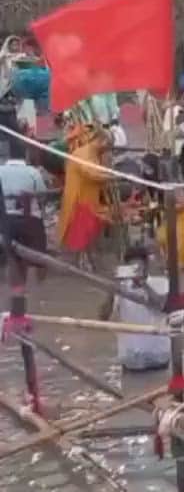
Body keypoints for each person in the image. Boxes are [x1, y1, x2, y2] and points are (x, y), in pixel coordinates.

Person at [99, 247, 169, 371]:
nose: (135, 271)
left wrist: (143, 284)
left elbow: (162, 306)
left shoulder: (161, 283)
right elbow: (103, 317)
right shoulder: (120, 289)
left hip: (158, 357)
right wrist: (111, 290)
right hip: (131, 361)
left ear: (147, 266)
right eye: (132, 268)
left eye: (138, 267)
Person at [58, 125, 112, 259]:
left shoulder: (94, 154)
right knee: (79, 234)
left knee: (88, 234)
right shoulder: (83, 153)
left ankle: (86, 260)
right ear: (101, 140)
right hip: (79, 200)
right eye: (107, 145)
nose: (107, 149)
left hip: (89, 199)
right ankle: (79, 262)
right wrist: (112, 176)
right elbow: (91, 173)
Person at [0, 139, 47, 286]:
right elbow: (42, 195)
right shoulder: (33, 172)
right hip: (30, 222)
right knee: (40, 253)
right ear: (25, 155)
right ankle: (38, 281)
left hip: (4, 222)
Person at [155, 188, 184, 271]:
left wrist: (169, 208)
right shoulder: (166, 191)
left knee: (181, 240)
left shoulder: (175, 189)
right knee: (162, 235)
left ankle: (181, 263)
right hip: (176, 216)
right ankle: (169, 261)